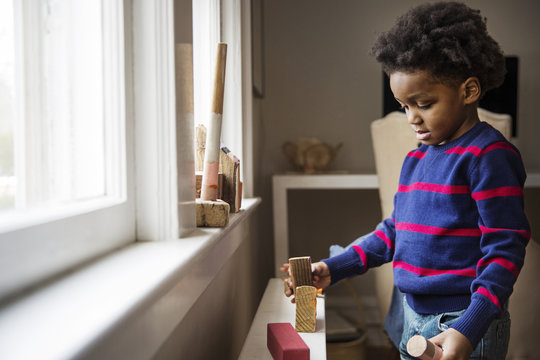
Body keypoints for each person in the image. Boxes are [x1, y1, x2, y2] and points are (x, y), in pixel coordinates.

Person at [283, 2, 531, 359]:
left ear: (469, 91)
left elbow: (505, 247)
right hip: (410, 316)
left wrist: (470, 326)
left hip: (462, 324)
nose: (411, 118)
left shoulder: (489, 156)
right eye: (404, 106)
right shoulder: (416, 158)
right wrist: (333, 268)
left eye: (424, 103)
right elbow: (394, 231)